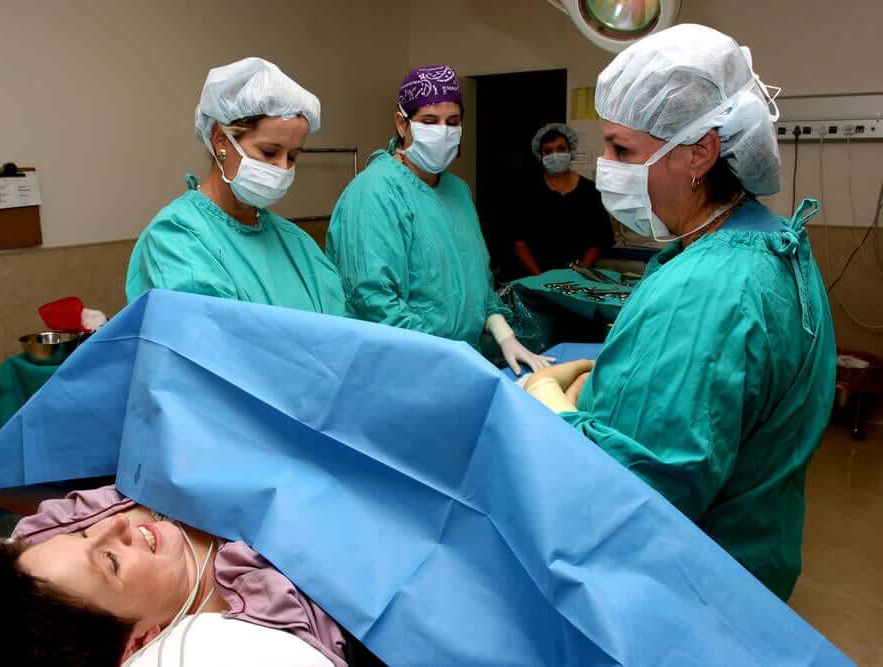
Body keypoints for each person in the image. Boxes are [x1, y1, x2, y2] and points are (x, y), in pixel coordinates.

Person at [522, 24, 836, 601]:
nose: (608, 168)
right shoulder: (766, 242)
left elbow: (632, 496)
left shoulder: (710, 286)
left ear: (700, 152)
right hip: (753, 561)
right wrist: (602, 377)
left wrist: (552, 407)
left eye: (622, 149)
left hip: (685, 588)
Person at [0, 484, 351, 667]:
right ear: (139, 640)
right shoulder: (274, 609)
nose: (115, 526)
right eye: (111, 562)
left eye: (82, 534)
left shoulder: (47, 542)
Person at [326, 65, 547, 374]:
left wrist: (503, 334)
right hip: (403, 367)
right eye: (430, 121)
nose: (443, 131)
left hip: (460, 363)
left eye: (453, 122)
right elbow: (373, 299)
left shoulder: (457, 191)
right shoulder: (375, 192)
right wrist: (445, 358)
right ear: (402, 124)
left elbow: (475, 280)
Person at [126, 57, 346, 316]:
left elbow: (341, 338)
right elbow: (212, 343)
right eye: (268, 152)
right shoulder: (176, 238)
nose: (283, 168)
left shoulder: (297, 246)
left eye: (293, 156)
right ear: (220, 140)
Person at [513, 123, 614, 275]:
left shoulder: (589, 191)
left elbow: (598, 240)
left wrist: (580, 273)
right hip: (536, 278)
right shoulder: (527, 192)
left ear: (570, 151)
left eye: (561, 149)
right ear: (541, 156)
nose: (555, 155)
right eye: (548, 151)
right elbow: (519, 242)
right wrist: (540, 278)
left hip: (578, 278)